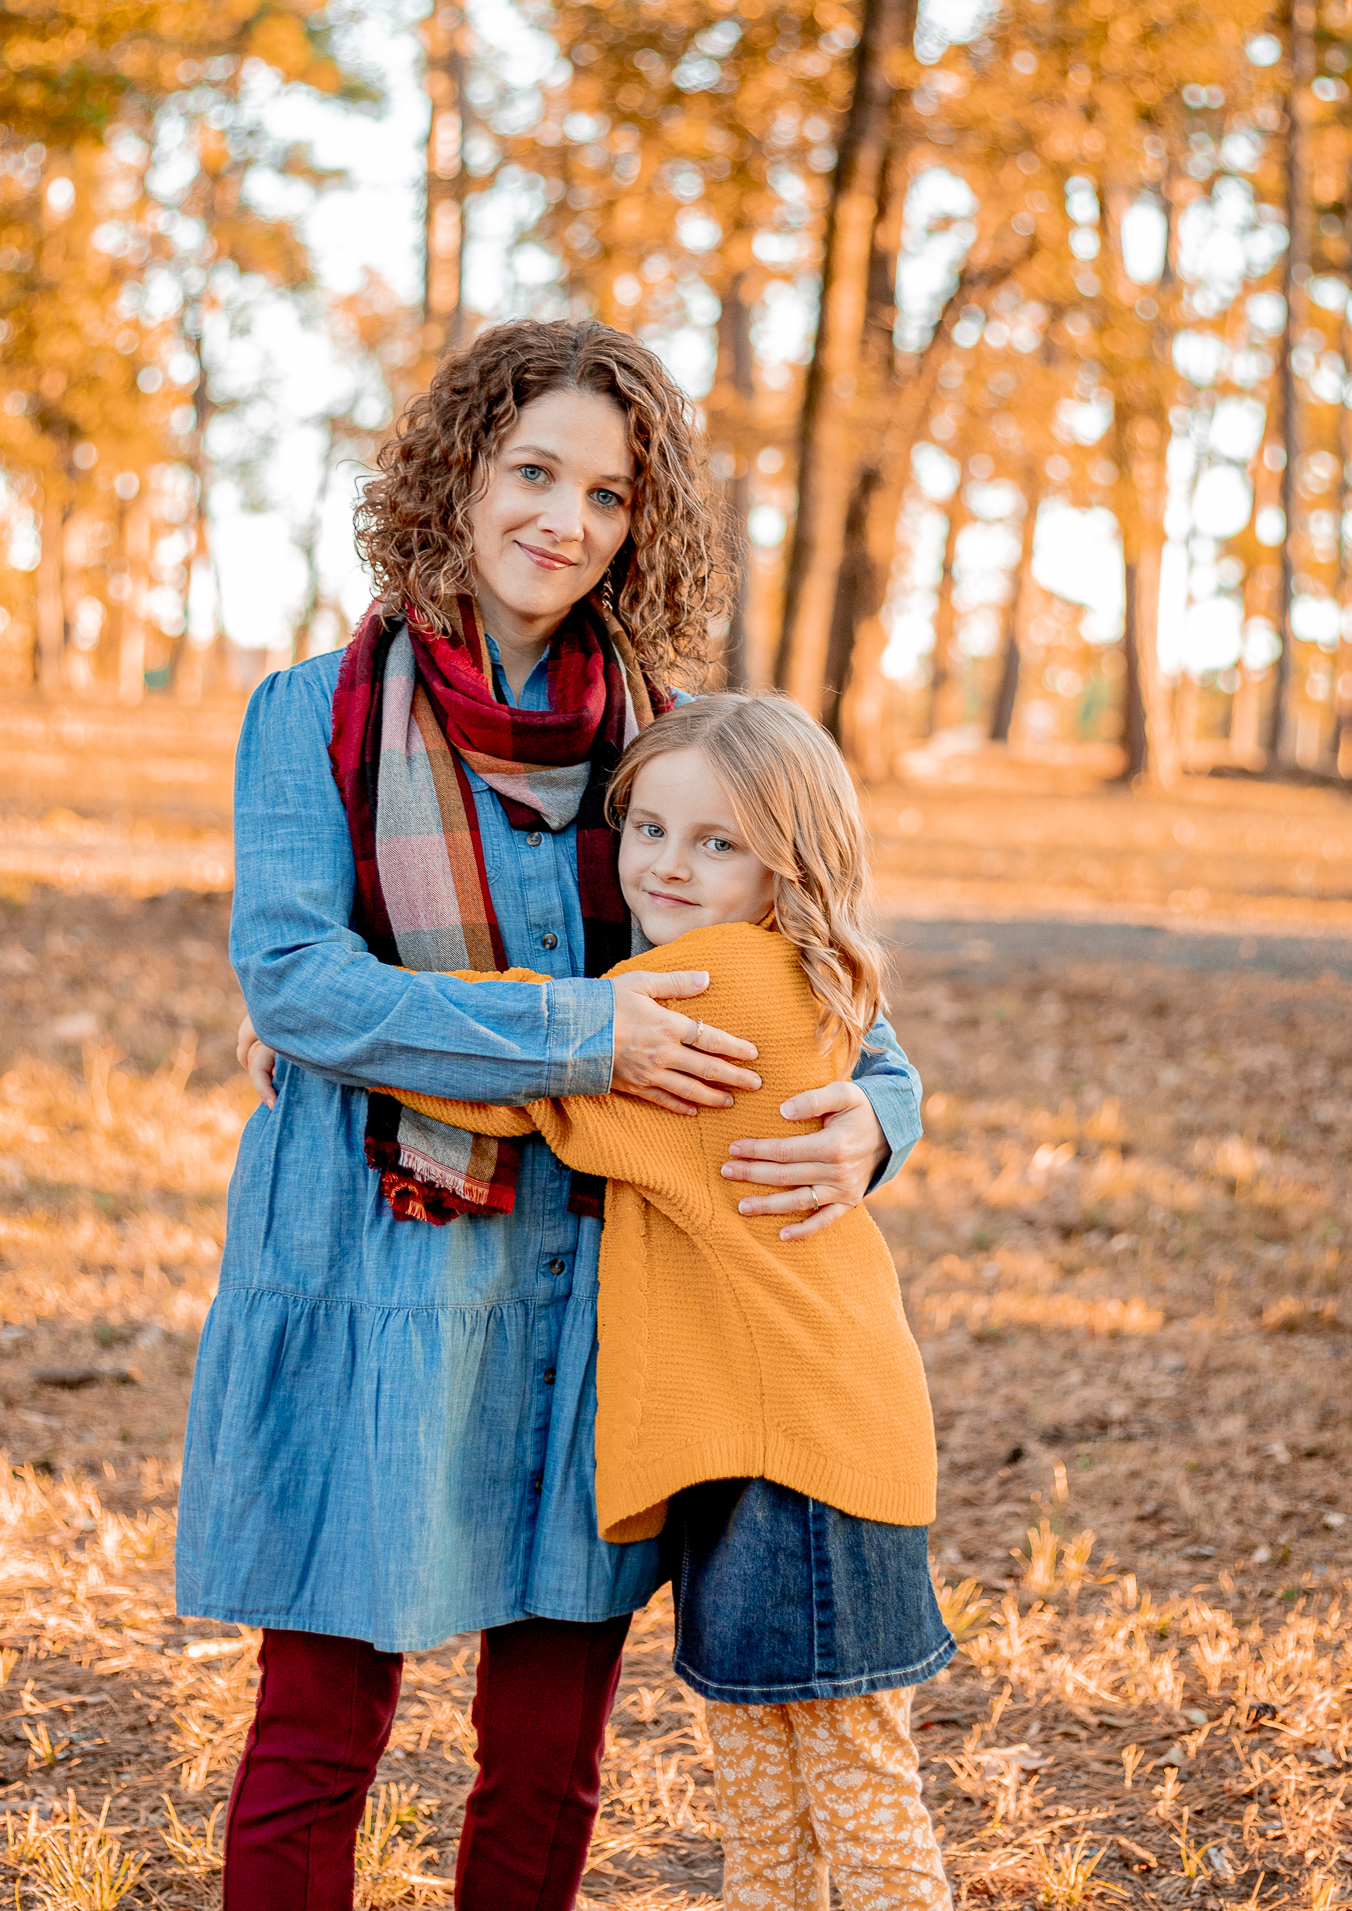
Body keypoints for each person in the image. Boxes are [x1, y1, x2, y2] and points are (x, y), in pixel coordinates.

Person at [189, 317, 926, 1911]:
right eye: (533, 472)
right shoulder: (311, 714)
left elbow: (816, 979)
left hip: (596, 1297)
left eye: (604, 495)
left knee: (544, 1760)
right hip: (374, 1268)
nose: (562, 521)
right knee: (317, 1734)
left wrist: (880, 1116)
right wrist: (578, 1034)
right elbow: (296, 981)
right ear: (459, 474)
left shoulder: (671, 737)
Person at [344, 693, 954, 1911]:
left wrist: (330, 1025)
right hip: (766, 1437)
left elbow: (520, 1084)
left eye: (718, 841)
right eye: (650, 827)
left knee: (859, 1798)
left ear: (788, 865)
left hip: (798, 1455)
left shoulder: (722, 984)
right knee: (770, 1797)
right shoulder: (771, 971)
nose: (668, 863)